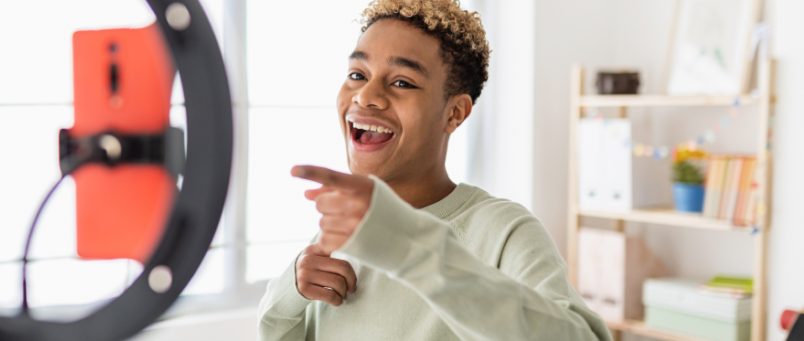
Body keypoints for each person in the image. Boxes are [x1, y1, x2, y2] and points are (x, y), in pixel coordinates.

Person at [256, 0, 612, 340]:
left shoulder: (505, 232)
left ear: (454, 113)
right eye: (357, 74)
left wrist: (412, 249)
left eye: (402, 83)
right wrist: (293, 289)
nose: (365, 96)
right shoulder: (342, 232)